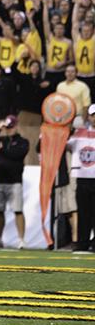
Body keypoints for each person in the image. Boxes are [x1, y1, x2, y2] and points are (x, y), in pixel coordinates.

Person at [0, 115, 30, 249]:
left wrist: (2, 150)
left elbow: (17, 154)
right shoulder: (2, 139)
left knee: (18, 210)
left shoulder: (23, 141)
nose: (9, 129)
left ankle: (22, 239)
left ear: (16, 126)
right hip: (0, 179)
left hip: (14, 181)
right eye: (7, 127)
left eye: (11, 127)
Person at [66, 104, 95, 252]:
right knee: (83, 212)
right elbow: (67, 145)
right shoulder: (80, 132)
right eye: (93, 115)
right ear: (89, 116)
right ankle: (82, 243)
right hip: (83, 177)